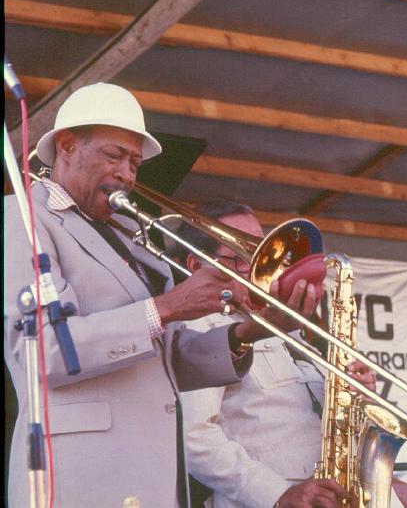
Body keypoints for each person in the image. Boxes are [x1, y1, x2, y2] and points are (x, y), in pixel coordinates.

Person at [3, 83, 273, 507]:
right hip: (82, 483)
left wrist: (247, 332)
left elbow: (165, 358)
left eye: (134, 162)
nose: (128, 174)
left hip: (153, 484)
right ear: (68, 146)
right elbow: (46, 350)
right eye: (115, 156)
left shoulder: (130, 236)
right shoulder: (23, 218)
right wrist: (166, 307)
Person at [178, 201, 399, 508]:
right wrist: (278, 494)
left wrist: (358, 395)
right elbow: (194, 438)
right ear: (195, 264)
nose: (261, 267)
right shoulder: (198, 328)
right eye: (243, 255)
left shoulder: (289, 328)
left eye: (265, 252)